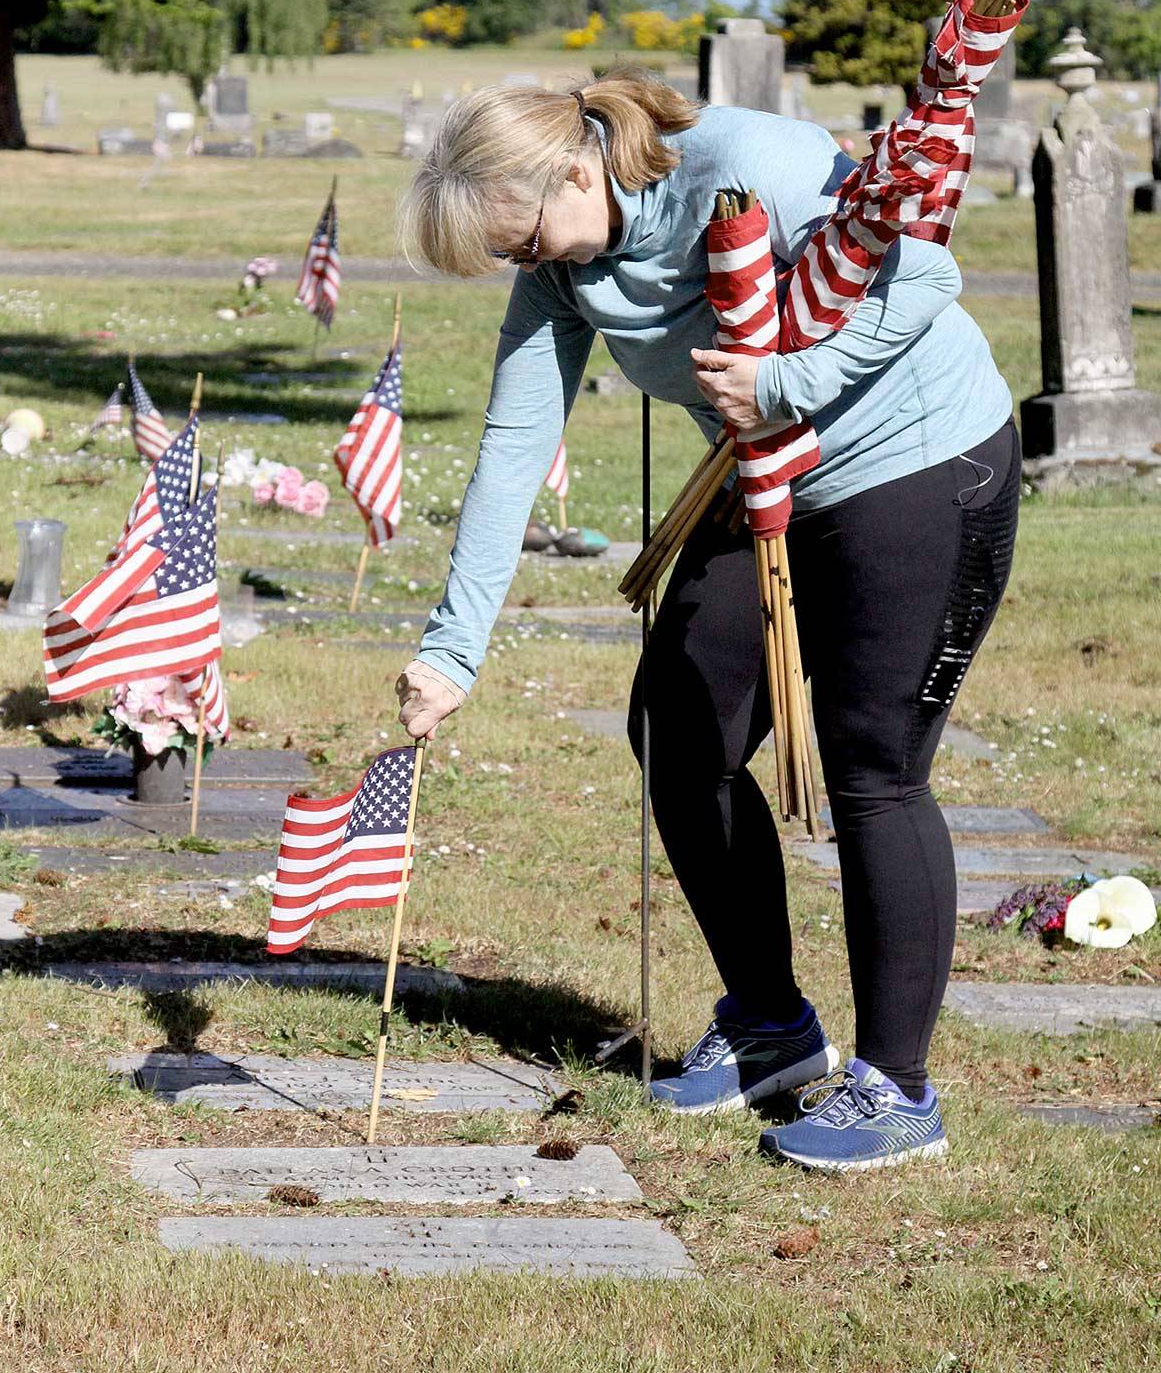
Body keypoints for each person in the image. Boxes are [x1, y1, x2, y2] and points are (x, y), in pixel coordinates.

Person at [394, 69, 1019, 1172]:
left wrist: (787, 381)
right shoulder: (564, 268)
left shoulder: (747, 163)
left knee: (871, 764)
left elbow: (924, 272)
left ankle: (895, 1088)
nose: (523, 267)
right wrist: (452, 648)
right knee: (679, 736)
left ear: (577, 169)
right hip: (762, 481)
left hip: (921, 464)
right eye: (508, 258)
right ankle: (772, 1024)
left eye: (523, 240)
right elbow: (510, 445)